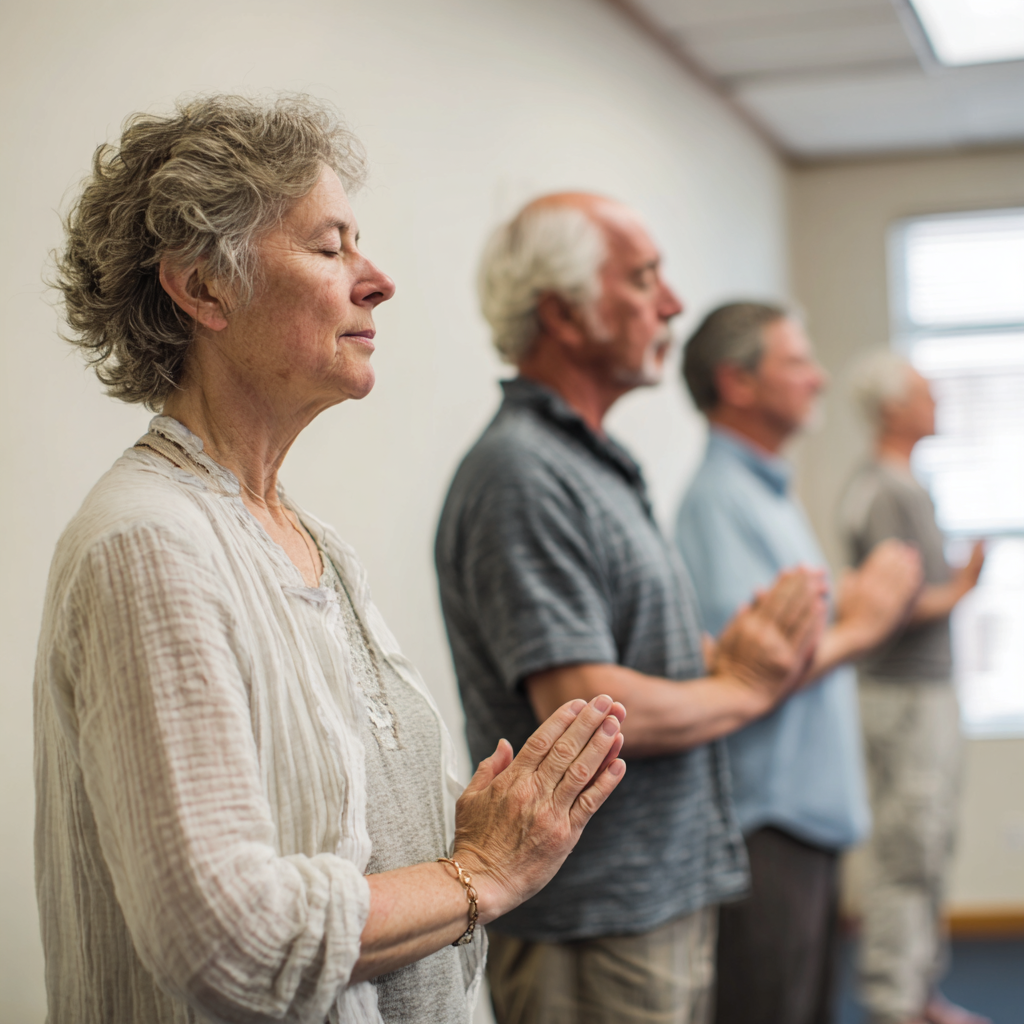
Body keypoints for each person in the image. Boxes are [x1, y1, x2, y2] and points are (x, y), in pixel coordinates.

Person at [35, 94, 630, 1024]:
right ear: (203, 288)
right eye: (330, 247)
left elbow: (351, 845)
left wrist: (472, 836)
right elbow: (227, 940)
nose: (378, 280)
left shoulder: (314, 542)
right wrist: (480, 871)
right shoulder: (147, 544)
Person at [435, 194, 829, 1024]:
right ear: (563, 314)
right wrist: (745, 686)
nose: (672, 304)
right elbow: (587, 705)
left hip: (653, 898)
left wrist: (721, 660)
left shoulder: (592, 462)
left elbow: (630, 662)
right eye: (644, 279)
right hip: (597, 919)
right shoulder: (522, 472)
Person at [674, 303, 924, 1024]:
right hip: (767, 821)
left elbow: (790, 634)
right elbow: (747, 669)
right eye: (797, 362)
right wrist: (864, 624)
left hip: (801, 819)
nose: (820, 378)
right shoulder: (719, 502)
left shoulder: (765, 492)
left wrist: (849, 609)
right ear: (737, 382)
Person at [841, 351, 988, 1024]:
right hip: (903, 697)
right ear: (893, 407)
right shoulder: (885, 491)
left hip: (919, 695)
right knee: (908, 851)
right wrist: (962, 586)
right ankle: (894, 1002)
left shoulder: (900, 486)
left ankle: (917, 994)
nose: (938, 402)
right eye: (926, 393)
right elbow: (889, 605)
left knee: (927, 846)